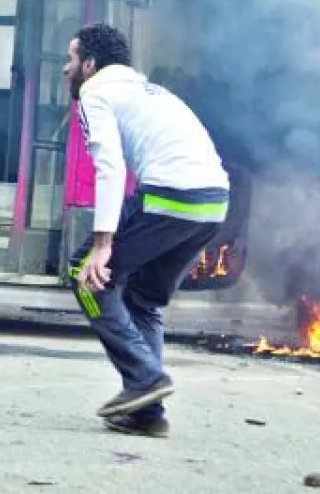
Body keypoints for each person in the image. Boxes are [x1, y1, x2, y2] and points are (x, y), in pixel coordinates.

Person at [62, 22, 230, 438]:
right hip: (213, 204)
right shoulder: (153, 92)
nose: (66, 69)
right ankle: (146, 414)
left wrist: (102, 244)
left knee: (86, 274)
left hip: (170, 197)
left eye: (71, 59)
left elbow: (108, 165)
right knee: (144, 299)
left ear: (90, 64)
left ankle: (145, 378)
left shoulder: (95, 92)